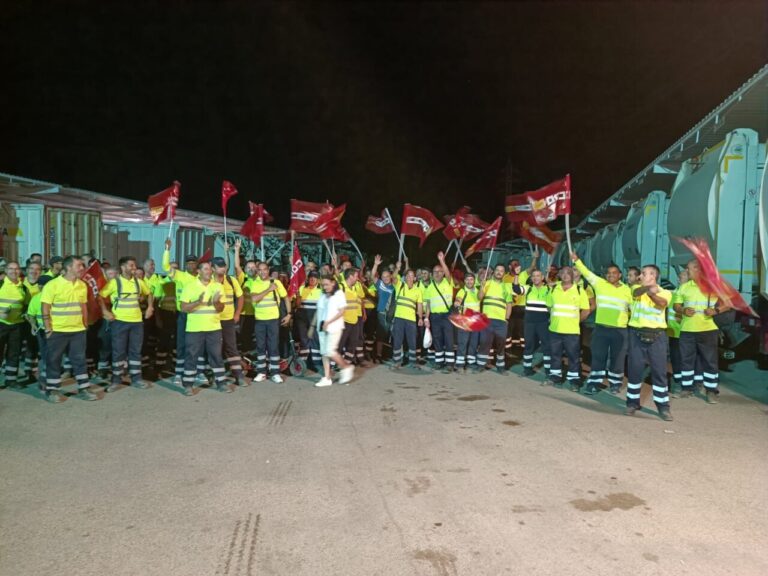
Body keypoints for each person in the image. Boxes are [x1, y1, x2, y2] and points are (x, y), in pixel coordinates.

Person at [40, 256, 100, 402]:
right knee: (54, 360)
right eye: (79, 265)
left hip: (78, 331)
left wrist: (85, 324)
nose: (82, 268)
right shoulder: (52, 285)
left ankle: (83, 388)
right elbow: (45, 307)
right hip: (58, 331)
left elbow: (83, 306)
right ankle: (53, 390)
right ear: (68, 268)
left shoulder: (82, 285)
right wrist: (48, 328)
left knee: (79, 360)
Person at [572, 254, 632, 395]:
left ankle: (615, 384)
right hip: (601, 329)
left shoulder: (627, 290)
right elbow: (586, 272)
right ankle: (593, 383)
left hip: (620, 331)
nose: (610, 275)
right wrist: (576, 260)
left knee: (617, 359)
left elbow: (633, 309)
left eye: (614, 273)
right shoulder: (599, 284)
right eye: (608, 273)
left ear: (620, 275)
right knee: (599, 357)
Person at [673, 260, 726, 404]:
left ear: (698, 270)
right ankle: (686, 388)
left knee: (710, 362)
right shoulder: (684, 287)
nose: (687, 271)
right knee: (686, 360)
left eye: (689, 268)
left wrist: (715, 310)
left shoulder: (712, 287)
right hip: (687, 330)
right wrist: (682, 309)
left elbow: (727, 302)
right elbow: (675, 305)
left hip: (707, 330)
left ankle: (711, 391)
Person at [625, 265, 674, 421]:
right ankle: (632, 403)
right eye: (641, 274)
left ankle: (663, 407)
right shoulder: (637, 289)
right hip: (636, 334)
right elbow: (636, 292)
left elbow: (661, 303)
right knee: (634, 370)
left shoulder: (665, 292)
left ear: (653, 276)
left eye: (644, 274)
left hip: (657, 336)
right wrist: (644, 287)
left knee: (659, 372)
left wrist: (651, 292)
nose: (641, 276)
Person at [99, 256, 154, 392]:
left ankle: (136, 378)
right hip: (119, 322)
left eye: (134, 266)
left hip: (137, 322)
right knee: (118, 352)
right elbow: (100, 296)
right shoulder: (114, 282)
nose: (134, 268)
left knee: (135, 351)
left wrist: (150, 307)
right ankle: (116, 380)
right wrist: (105, 311)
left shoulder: (139, 282)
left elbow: (149, 293)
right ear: (123, 267)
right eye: (131, 266)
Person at [179, 261, 230, 395]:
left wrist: (216, 302)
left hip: (214, 328)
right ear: (199, 271)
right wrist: (198, 302)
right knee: (191, 356)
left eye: (210, 269)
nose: (209, 271)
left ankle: (222, 383)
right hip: (194, 329)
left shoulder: (218, 286)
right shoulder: (189, 287)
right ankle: (188, 385)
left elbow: (221, 309)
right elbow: (183, 308)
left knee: (216, 356)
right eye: (206, 269)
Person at [546, 266, 591, 389]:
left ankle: (574, 381)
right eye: (563, 273)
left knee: (573, 356)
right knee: (555, 355)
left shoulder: (579, 290)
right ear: (559, 275)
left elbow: (586, 311)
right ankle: (555, 377)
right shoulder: (554, 288)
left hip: (571, 331)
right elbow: (549, 306)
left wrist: (576, 322)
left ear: (572, 275)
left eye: (568, 273)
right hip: (555, 329)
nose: (565, 275)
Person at [162, 238, 199, 383]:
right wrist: (167, 249)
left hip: (197, 315)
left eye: (193, 262)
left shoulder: (201, 277)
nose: (191, 265)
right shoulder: (180, 275)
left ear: (197, 264)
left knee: (195, 345)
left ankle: (195, 371)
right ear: (185, 265)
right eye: (188, 263)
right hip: (183, 315)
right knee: (181, 344)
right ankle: (179, 373)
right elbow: (165, 267)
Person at [246, 261, 291, 383]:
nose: (262, 272)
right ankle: (261, 372)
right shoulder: (255, 283)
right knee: (260, 346)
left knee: (273, 346)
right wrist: (268, 290)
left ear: (268, 269)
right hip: (260, 320)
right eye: (259, 270)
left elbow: (286, 298)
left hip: (273, 320)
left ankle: (275, 373)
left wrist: (289, 314)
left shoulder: (276, 282)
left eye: (264, 269)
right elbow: (254, 298)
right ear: (257, 271)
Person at [310, 275, 352, 387]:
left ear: (333, 283)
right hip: (321, 327)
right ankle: (327, 377)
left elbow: (342, 311)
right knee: (324, 352)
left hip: (335, 327)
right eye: (323, 285)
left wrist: (329, 322)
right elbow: (318, 311)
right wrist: (312, 326)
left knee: (330, 351)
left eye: (327, 284)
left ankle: (346, 367)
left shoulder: (339, 294)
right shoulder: (322, 294)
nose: (325, 287)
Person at [212, 257, 246, 387]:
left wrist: (237, 313)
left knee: (232, 348)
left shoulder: (231, 280)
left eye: (224, 266)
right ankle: (218, 377)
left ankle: (238, 375)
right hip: (212, 321)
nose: (223, 268)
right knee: (215, 350)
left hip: (228, 320)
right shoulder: (209, 282)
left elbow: (240, 297)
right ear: (213, 268)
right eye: (219, 266)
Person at [513, 267, 551, 378]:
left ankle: (548, 371)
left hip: (543, 322)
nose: (535, 278)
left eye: (538, 276)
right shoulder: (528, 289)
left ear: (542, 278)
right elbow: (516, 288)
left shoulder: (549, 289)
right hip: (529, 323)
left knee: (546, 346)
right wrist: (517, 274)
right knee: (528, 345)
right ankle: (527, 369)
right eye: (533, 276)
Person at [423, 251, 456, 373]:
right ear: (432, 274)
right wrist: (426, 318)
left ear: (443, 273)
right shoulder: (429, 288)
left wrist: (442, 261)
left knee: (449, 339)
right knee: (437, 339)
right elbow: (428, 305)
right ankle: (439, 362)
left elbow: (448, 273)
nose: (437, 273)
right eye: (435, 272)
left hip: (447, 316)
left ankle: (449, 364)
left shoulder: (448, 282)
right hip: (435, 317)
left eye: (439, 271)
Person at [0, 261, 31, 388]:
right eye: (11, 269)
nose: (14, 271)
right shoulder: (1, 284)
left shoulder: (23, 288)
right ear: (6, 271)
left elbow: (26, 306)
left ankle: (11, 380)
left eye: (16, 269)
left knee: (14, 353)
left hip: (17, 325)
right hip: (1, 324)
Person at [478, 264, 513, 373]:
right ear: (494, 272)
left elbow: (509, 304)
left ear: (504, 273)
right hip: (487, 319)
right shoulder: (487, 283)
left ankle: (500, 366)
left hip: (501, 321)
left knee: (501, 344)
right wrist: (482, 287)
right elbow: (479, 298)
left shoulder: (507, 286)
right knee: (484, 342)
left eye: (501, 271)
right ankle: (481, 365)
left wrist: (507, 318)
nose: (499, 272)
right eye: (497, 270)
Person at [390, 267, 424, 369]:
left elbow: (420, 305)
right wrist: (397, 268)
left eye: (412, 276)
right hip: (399, 318)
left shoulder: (418, 290)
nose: (410, 278)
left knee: (412, 341)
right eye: (408, 276)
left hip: (411, 319)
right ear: (404, 277)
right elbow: (393, 278)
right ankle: (397, 362)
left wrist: (421, 318)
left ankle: (413, 362)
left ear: (415, 278)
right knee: (397, 340)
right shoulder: (399, 285)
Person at [24, 275, 52, 390]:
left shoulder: (56, 297)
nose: (41, 286)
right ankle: (44, 380)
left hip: (57, 330)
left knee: (53, 356)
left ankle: (48, 378)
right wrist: (33, 324)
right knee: (46, 356)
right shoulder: (36, 298)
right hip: (42, 331)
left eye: (44, 284)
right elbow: (30, 314)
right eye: (39, 284)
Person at [370, 255, 396, 363]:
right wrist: (376, 264)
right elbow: (372, 276)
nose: (385, 278)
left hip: (392, 314)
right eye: (383, 276)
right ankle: (379, 355)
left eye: (387, 276)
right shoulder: (380, 284)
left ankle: (389, 354)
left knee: (390, 335)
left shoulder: (395, 287)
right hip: (381, 313)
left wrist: (397, 268)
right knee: (380, 335)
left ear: (390, 276)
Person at [295, 271, 323, 371]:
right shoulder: (302, 288)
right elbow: (298, 305)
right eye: (311, 277)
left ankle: (316, 363)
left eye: (315, 277)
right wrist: (298, 295)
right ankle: (303, 363)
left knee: (315, 340)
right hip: (302, 318)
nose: (312, 279)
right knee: (304, 340)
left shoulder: (321, 290)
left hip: (315, 318)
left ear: (318, 280)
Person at [454, 271, 481, 370]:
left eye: (471, 279)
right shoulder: (462, 291)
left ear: (474, 281)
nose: (469, 281)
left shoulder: (477, 291)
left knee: (474, 342)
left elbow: (481, 297)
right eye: (467, 280)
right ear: (464, 281)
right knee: (463, 342)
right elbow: (458, 299)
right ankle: (460, 364)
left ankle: (471, 362)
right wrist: (457, 302)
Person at [337, 267, 364, 365]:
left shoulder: (355, 287)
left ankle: (346, 364)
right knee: (339, 344)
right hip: (343, 321)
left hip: (354, 320)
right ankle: (333, 365)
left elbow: (360, 300)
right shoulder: (341, 287)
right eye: (356, 276)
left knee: (353, 344)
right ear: (350, 276)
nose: (358, 278)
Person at [21, 261, 43, 382]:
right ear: (27, 270)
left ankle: (32, 372)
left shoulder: (42, 286)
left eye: (37, 269)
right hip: (21, 320)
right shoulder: (20, 284)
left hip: (36, 321)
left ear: (41, 271)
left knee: (34, 347)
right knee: (21, 348)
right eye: (31, 269)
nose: (34, 272)